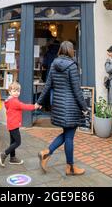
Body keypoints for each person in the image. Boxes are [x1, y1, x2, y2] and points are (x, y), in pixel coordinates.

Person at [37, 41, 88, 176]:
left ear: (60, 50)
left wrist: (39, 101)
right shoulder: (72, 66)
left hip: (59, 105)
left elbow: (47, 86)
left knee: (67, 134)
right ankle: (69, 167)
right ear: (71, 51)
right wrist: (84, 107)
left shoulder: (53, 64)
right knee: (69, 137)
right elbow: (77, 90)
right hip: (71, 107)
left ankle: (47, 153)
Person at [0, 81, 39, 166]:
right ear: (9, 92)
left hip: (11, 124)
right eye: (14, 91)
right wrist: (35, 106)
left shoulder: (9, 100)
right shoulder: (14, 101)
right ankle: (4, 154)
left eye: (18, 91)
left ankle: (12, 158)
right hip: (14, 124)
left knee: (12, 142)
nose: (16, 93)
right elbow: (24, 106)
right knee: (18, 142)